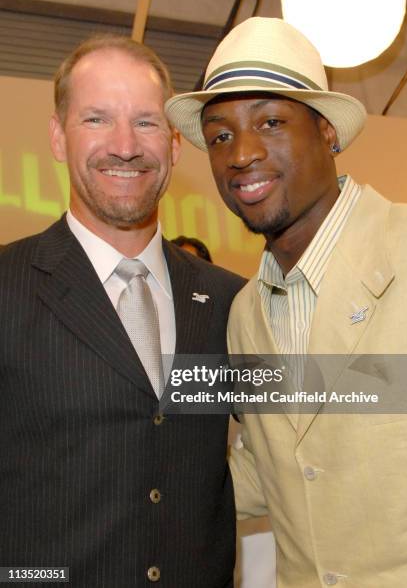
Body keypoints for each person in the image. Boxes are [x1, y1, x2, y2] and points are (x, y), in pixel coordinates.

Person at [166, 17, 407, 587]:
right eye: (220, 135)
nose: (241, 154)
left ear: (327, 130)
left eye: (271, 121)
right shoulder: (246, 313)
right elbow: (270, 461)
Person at [0, 34, 245, 588]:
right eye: (96, 120)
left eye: (146, 122)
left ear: (175, 145)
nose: (125, 145)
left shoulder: (231, 301)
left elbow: (318, 429)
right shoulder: (6, 286)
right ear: (59, 138)